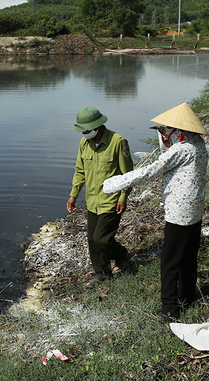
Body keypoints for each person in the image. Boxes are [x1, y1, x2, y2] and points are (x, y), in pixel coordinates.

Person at [102, 102, 209, 319]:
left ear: (176, 132)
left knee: (169, 262)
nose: (162, 135)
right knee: (188, 258)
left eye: (163, 130)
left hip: (179, 216)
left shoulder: (181, 149)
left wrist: (114, 183)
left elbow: (150, 171)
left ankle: (169, 309)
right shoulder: (198, 144)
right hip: (195, 212)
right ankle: (188, 297)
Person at [67, 106, 134, 287]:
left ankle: (122, 255)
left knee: (102, 239)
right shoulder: (84, 144)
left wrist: (123, 197)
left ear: (97, 127)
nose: (84, 133)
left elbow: (127, 174)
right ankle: (103, 276)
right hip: (92, 202)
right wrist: (74, 194)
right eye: (82, 130)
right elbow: (80, 171)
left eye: (87, 130)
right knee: (92, 242)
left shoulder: (118, 142)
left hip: (111, 201)